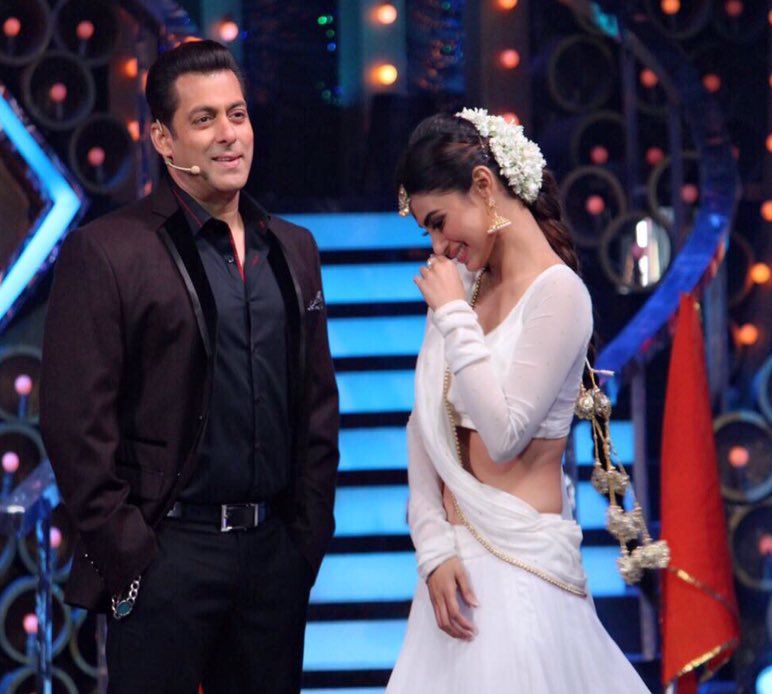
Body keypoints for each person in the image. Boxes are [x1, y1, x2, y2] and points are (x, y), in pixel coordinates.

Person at [39, 39, 339, 693]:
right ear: (163, 139)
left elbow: (317, 403)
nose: (228, 134)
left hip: (273, 556)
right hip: (166, 554)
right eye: (204, 119)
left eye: (237, 114)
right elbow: (73, 422)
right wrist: (130, 552)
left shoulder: (294, 248)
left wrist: (306, 537)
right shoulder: (108, 252)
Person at [387, 108, 649, 692]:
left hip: (519, 574)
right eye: (428, 233)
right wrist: (433, 547)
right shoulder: (466, 287)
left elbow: (505, 435)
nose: (439, 246)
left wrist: (453, 317)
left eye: (439, 223)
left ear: (483, 185)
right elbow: (422, 426)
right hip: (452, 580)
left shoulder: (559, 295)